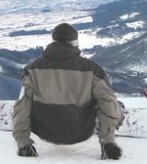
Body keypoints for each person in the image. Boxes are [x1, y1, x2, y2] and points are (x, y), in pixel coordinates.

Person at [12, 23, 124, 159]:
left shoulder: (32, 69)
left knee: (28, 99)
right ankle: (111, 128)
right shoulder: (92, 69)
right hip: (81, 132)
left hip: (44, 131)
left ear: (53, 42)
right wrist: (108, 141)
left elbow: (23, 104)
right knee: (109, 101)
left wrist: (23, 143)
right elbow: (107, 102)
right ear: (75, 43)